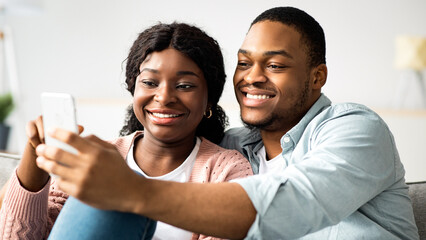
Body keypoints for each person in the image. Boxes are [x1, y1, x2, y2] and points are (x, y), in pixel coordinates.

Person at [30, 6, 418, 239]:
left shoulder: (355, 128)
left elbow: (289, 203)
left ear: (317, 77)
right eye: (245, 63)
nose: (252, 77)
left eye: (276, 65)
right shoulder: (232, 149)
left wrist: (131, 190)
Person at [0, 22, 252, 240]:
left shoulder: (228, 171)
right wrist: (35, 153)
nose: (163, 97)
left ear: (209, 100)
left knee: (118, 192)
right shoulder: (98, 156)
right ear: (134, 90)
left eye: (184, 85)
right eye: (150, 83)